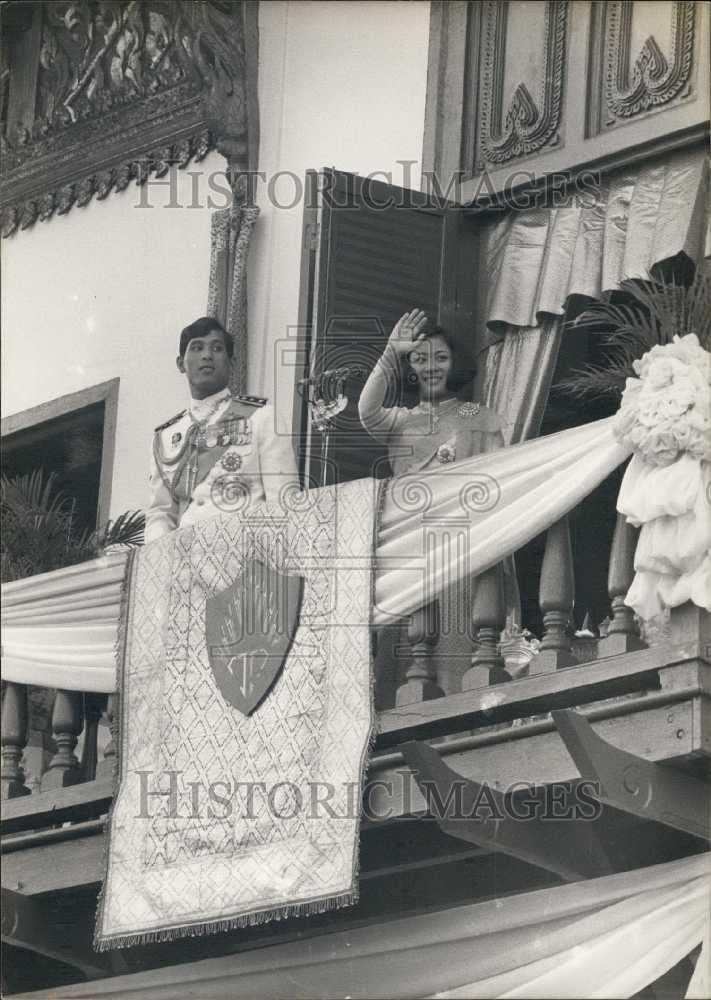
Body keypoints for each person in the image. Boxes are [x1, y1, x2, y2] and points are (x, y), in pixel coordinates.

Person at [145, 317, 299, 542]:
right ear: (180, 363)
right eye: (197, 348)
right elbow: (161, 514)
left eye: (217, 348)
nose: (207, 355)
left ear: (232, 363)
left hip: (246, 558)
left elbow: (283, 503)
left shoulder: (261, 417)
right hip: (185, 564)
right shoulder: (165, 438)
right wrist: (159, 563)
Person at [358, 308, 505, 472]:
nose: (431, 367)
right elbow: (367, 411)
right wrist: (391, 353)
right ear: (409, 369)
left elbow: (498, 477)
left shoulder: (482, 419)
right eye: (420, 360)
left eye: (441, 358)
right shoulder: (400, 421)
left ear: (455, 363)